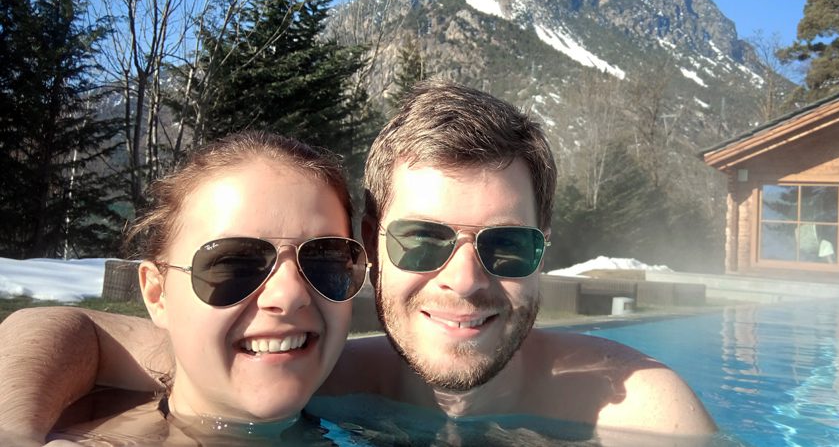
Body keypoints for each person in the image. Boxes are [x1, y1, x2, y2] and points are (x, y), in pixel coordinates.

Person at [0, 82, 716, 444]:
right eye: (423, 240)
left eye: (506, 246)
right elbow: (58, 325)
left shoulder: (640, 412)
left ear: (541, 251)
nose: (465, 280)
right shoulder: (307, 365)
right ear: (374, 246)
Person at [2, 131, 369, 444]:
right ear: (157, 295)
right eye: (234, 263)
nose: (290, 294)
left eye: (325, 260)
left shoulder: (371, 394)